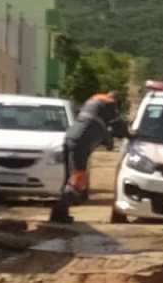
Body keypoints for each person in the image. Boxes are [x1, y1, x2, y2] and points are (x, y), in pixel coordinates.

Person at [50, 92, 119, 224]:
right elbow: (113, 127)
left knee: (69, 179)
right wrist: (125, 134)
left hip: (70, 137)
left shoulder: (94, 100)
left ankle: (61, 213)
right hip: (80, 142)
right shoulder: (109, 104)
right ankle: (58, 212)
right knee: (78, 180)